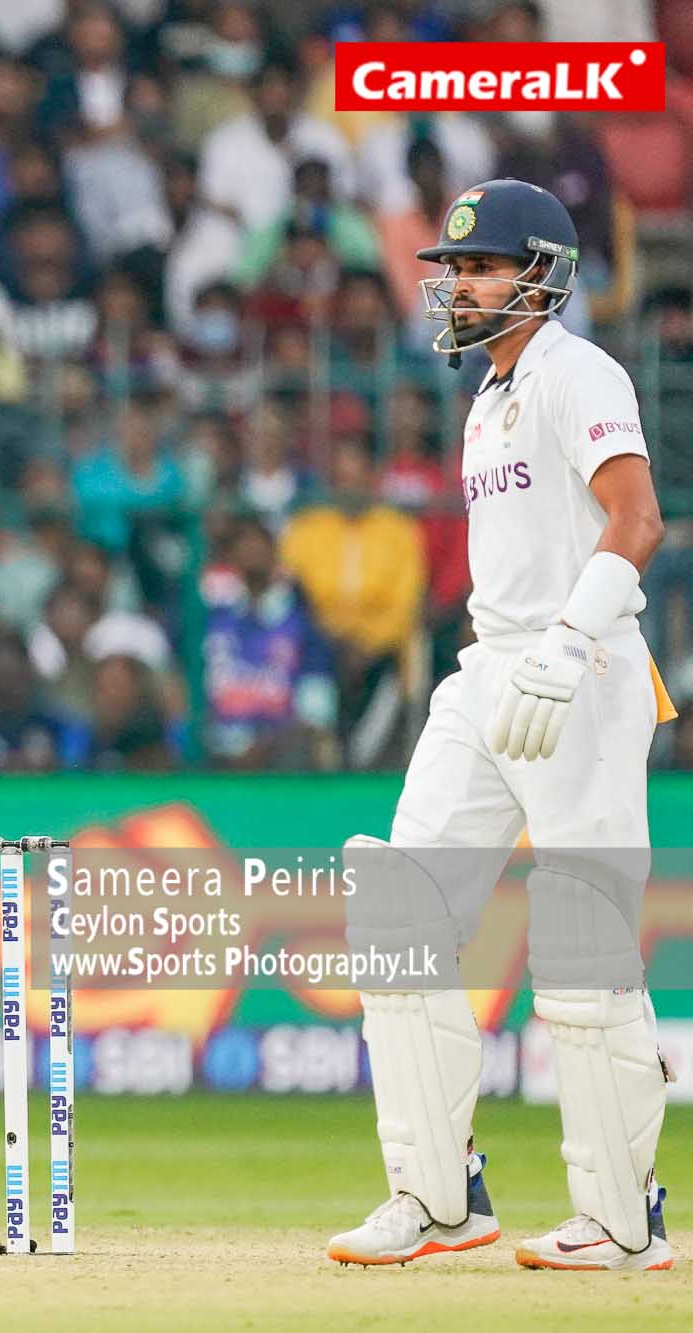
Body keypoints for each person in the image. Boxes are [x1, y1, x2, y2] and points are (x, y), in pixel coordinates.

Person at [328, 180, 675, 1272]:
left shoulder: (579, 372)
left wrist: (567, 644)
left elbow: (638, 519)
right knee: (397, 908)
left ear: (542, 276)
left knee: (581, 941)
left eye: (481, 267)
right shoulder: (488, 396)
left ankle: (622, 1220)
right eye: (454, 268)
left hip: (581, 671)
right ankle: (437, 1197)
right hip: (487, 672)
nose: (460, 286)